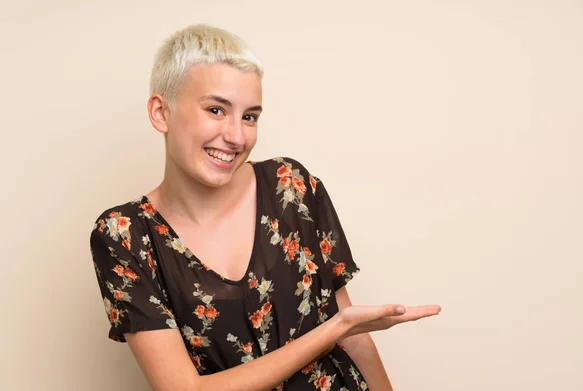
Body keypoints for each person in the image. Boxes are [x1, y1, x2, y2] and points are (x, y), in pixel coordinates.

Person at [88, 23, 441, 391]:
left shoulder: (291, 186)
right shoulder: (123, 237)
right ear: (161, 112)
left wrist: (348, 333)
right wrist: (334, 329)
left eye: (250, 116)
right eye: (215, 109)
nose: (237, 137)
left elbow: (353, 338)